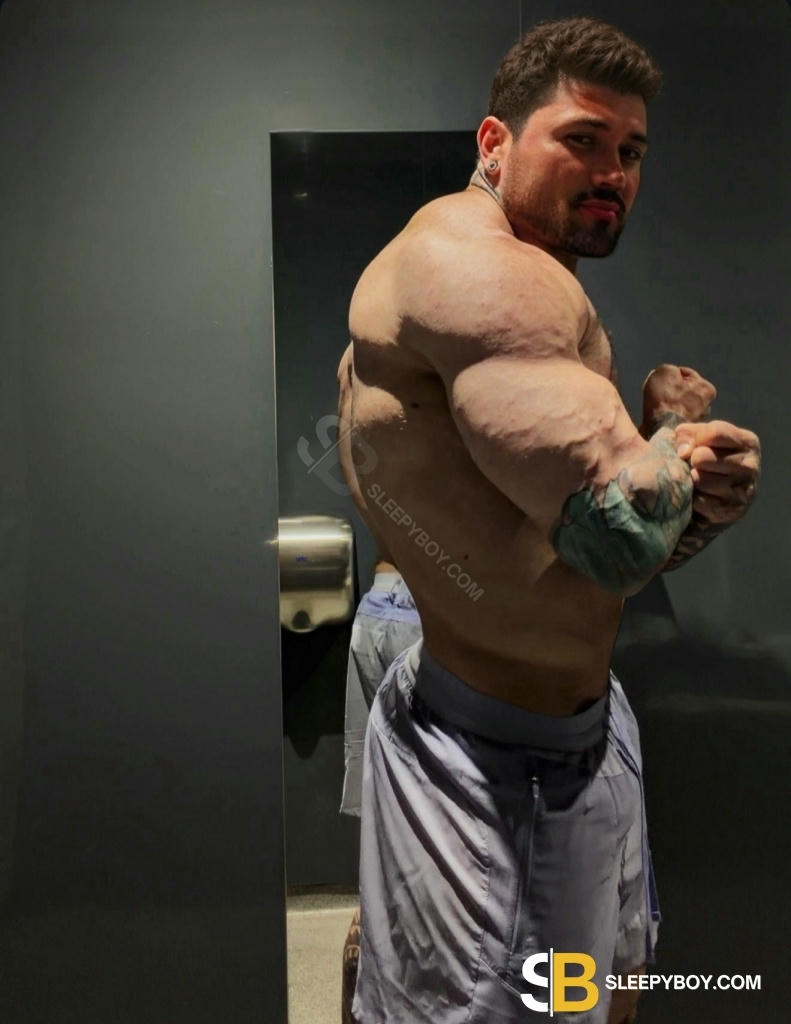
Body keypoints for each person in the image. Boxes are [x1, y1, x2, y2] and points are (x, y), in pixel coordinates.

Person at [337, 17, 760, 1024]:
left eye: (630, 151)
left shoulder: (520, 277)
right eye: (581, 139)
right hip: (500, 760)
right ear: (495, 143)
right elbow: (615, 540)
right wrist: (671, 444)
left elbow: (576, 561)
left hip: (571, 726)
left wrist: (677, 473)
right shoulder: (481, 274)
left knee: (606, 991)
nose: (612, 172)